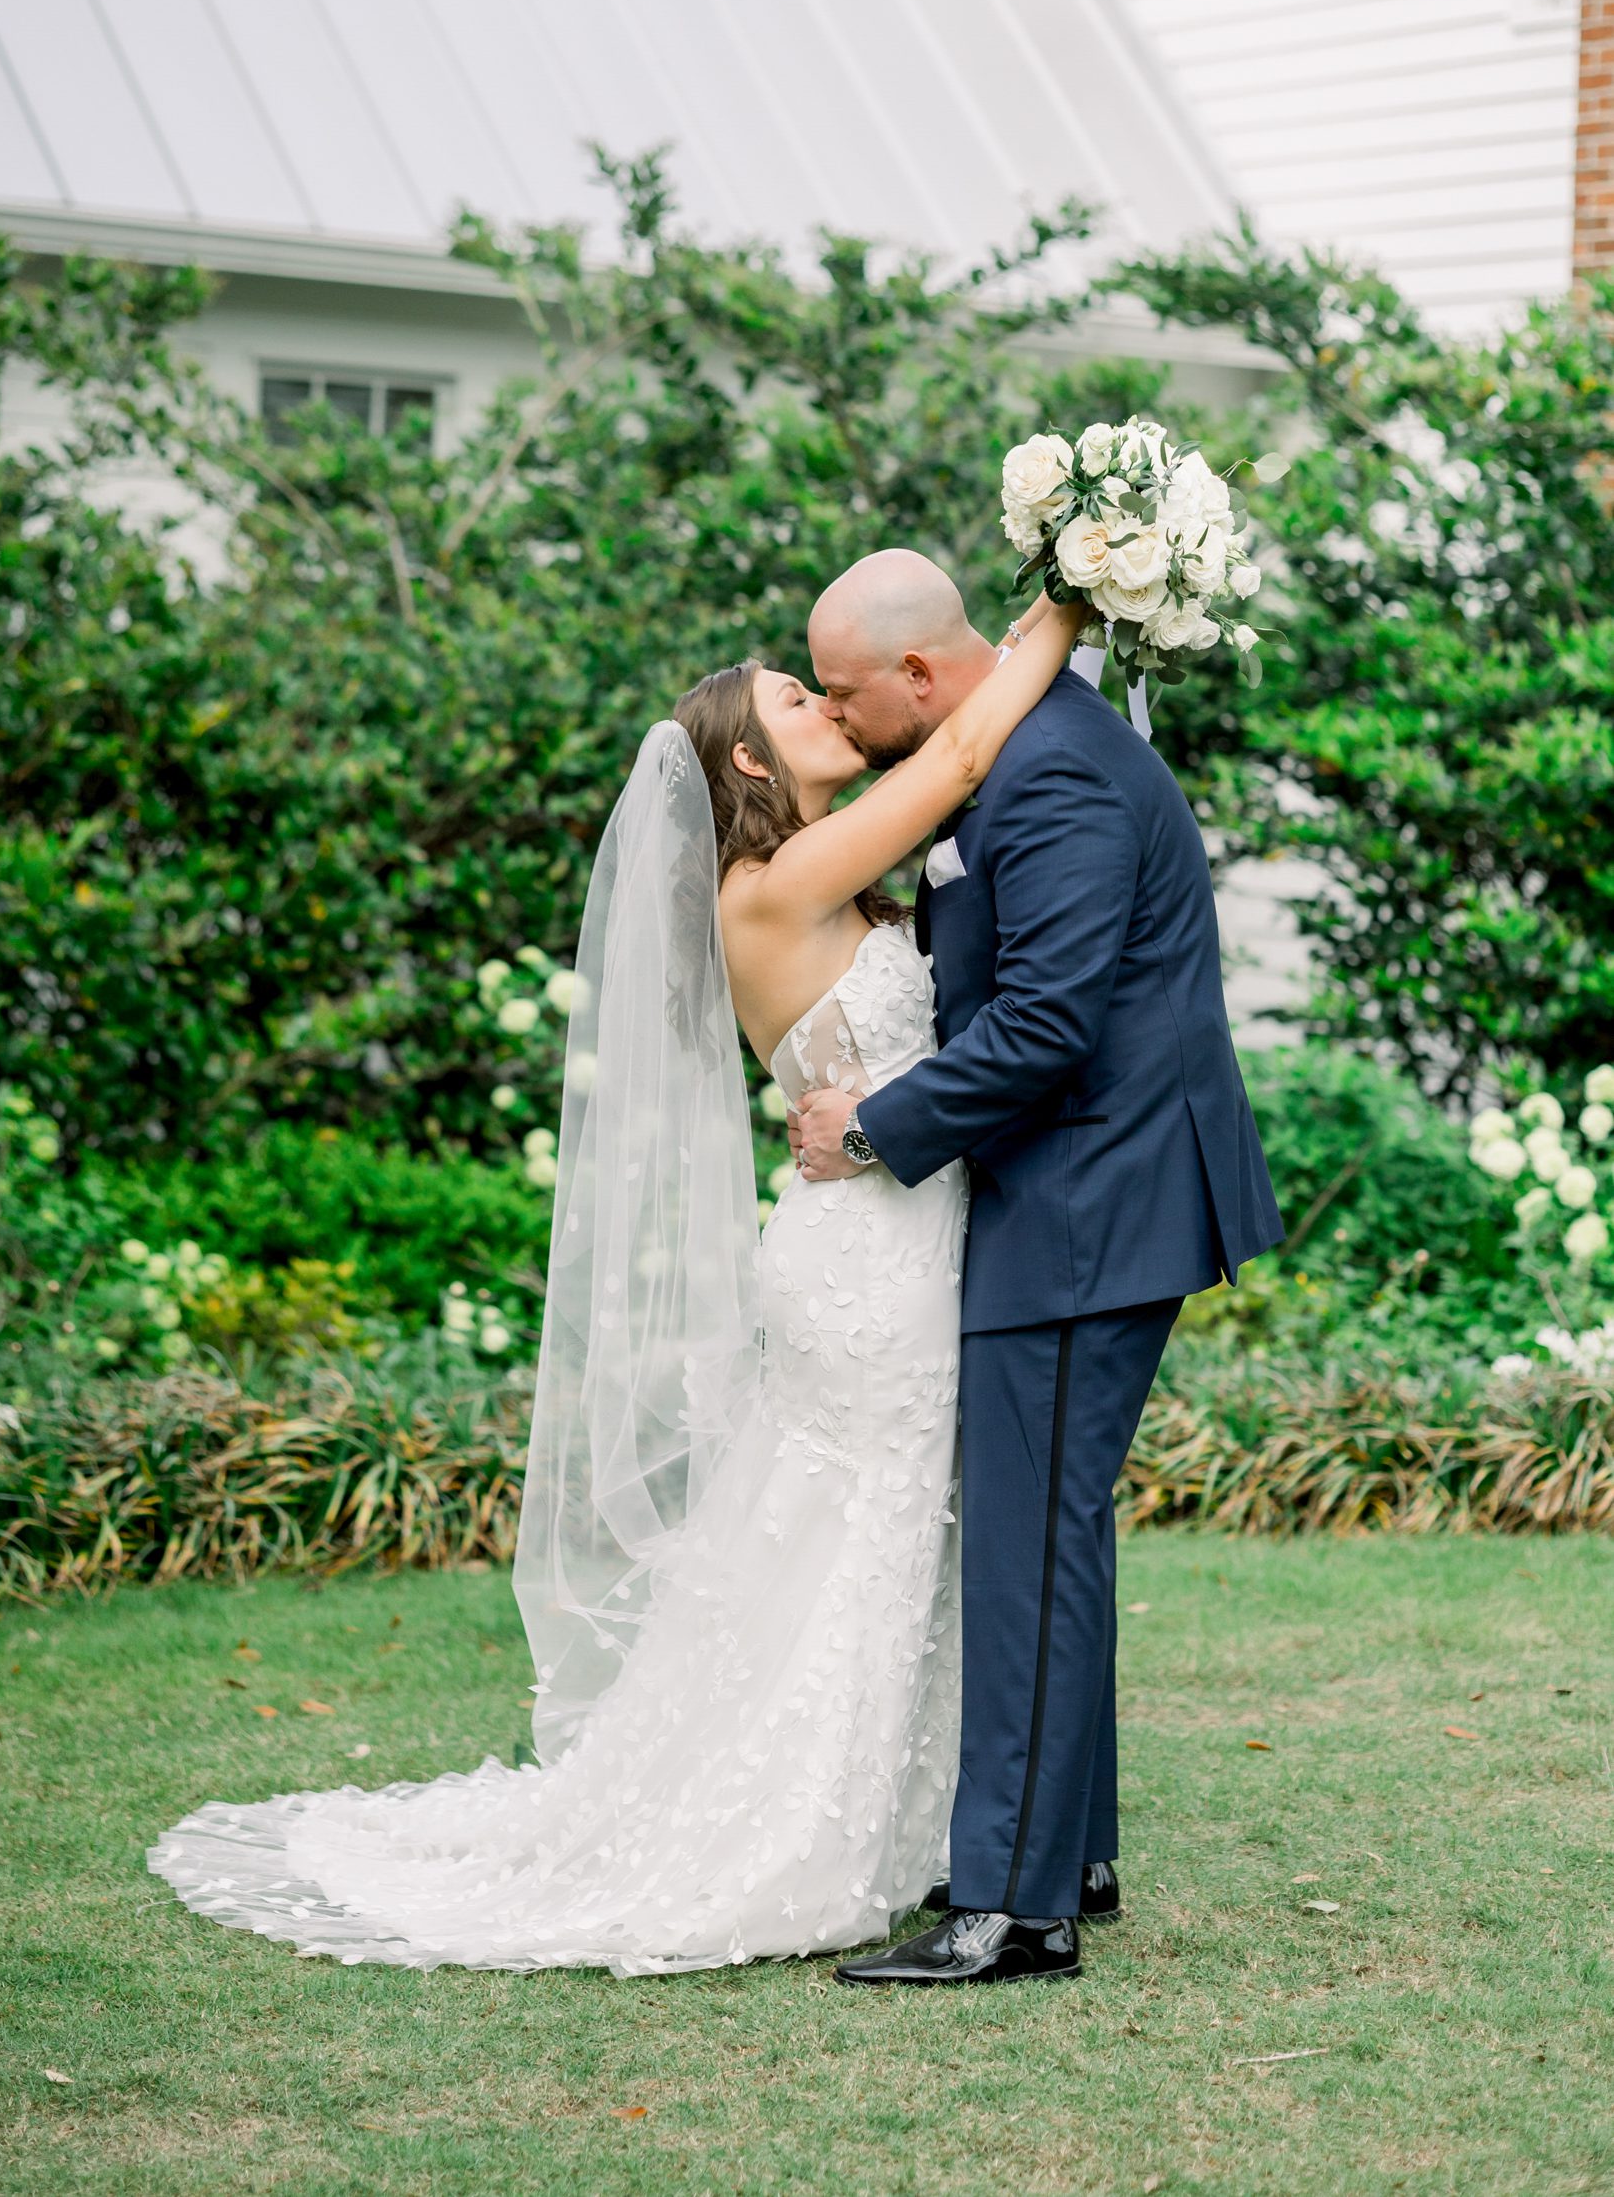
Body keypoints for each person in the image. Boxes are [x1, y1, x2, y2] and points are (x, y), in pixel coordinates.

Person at [145, 576, 1087, 1976]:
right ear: (750, 765)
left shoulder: (827, 875)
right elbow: (954, 753)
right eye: (793, 698)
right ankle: (795, 1832)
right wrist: (1072, 599)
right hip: (865, 1266)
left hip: (886, 1231)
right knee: (870, 1527)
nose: (827, 705)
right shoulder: (769, 885)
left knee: (854, 1532)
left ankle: (912, 1823)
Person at [795, 550, 1282, 1987]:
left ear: (927, 676)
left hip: (1088, 1200)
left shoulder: (1056, 770)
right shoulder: (1021, 746)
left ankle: (1012, 1907)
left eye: (845, 692)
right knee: (1048, 1531)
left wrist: (875, 1129)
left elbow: (1050, 1024)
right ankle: (1069, 1851)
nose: (839, 711)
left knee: (1028, 1543)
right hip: (1082, 1189)